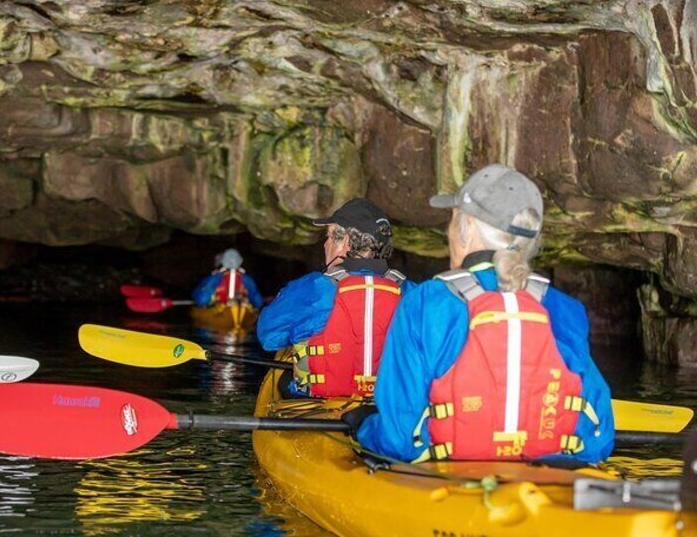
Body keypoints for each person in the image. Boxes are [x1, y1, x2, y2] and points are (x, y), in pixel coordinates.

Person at [346, 164, 615, 464]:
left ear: (468, 226)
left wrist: (363, 427)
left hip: (445, 480)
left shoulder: (424, 303)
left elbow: (398, 441)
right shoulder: (564, 309)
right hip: (547, 479)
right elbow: (598, 439)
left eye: (453, 220)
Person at [257, 198, 415, 398]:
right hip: (390, 404)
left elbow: (268, 337)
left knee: (284, 374)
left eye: (330, 237)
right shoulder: (412, 292)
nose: (325, 244)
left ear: (346, 242)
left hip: (319, 399)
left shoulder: (314, 289)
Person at [192, 248, 264, 309]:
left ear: (223, 262)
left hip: (220, 314)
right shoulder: (246, 278)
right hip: (236, 312)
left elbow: (201, 301)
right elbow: (258, 303)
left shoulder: (214, 278)